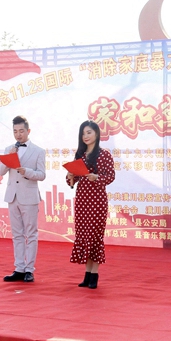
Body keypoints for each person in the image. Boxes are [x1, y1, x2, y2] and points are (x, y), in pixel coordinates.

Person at [66, 120, 115, 289]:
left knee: (94, 236)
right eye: (83, 133)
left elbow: (111, 176)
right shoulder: (80, 155)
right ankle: (87, 274)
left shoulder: (104, 154)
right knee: (84, 235)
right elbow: (72, 182)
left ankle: (94, 274)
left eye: (89, 132)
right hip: (82, 200)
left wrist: (97, 177)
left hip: (97, 201)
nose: (85, 136)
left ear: (97, 134)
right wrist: (70, 176)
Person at [0, 115, 46, 283]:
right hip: (13, 197)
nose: (18, 135)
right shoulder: (9, 149)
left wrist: (27, 171)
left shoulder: (38, 151)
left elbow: (42, 175)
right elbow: (0, 171)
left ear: (28, 131)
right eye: (15, 131)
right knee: (17, 234)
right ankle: (19, 268)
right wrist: (9, 157)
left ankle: (29, 270)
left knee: (31, 234)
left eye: (21, 131)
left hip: (30, 197)